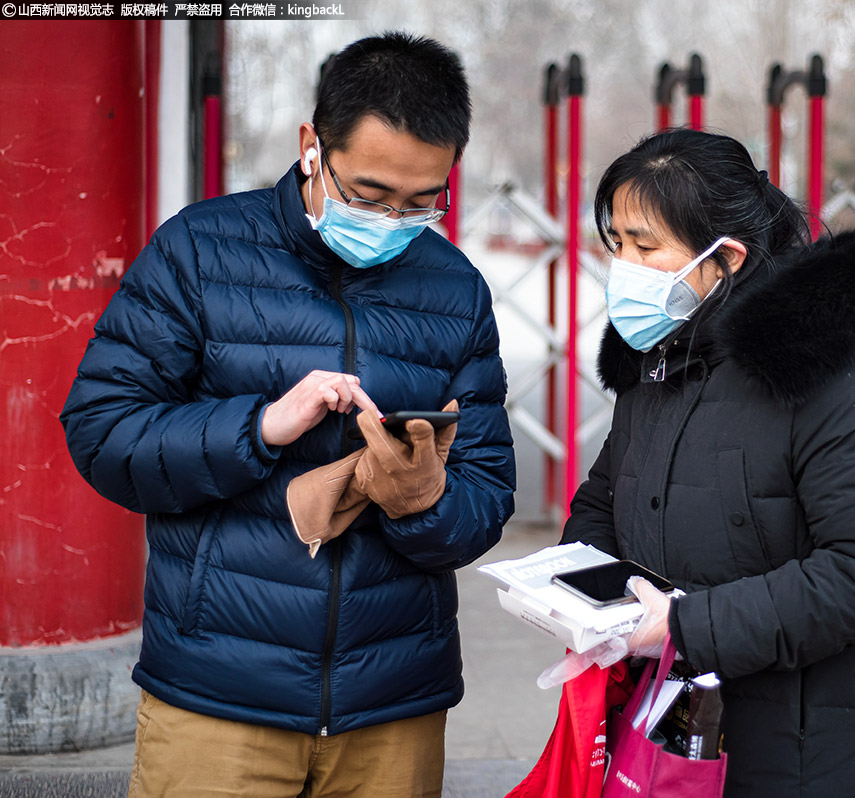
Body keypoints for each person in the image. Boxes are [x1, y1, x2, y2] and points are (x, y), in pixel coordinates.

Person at [60, 32, 515, 798]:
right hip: (219, 699)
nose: (392, 220)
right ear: (313, 145)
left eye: (421, 202)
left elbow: (487, 497)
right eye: (369, 196)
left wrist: (423, 499)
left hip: (393, 705)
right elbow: (102, 433)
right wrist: (259, 427)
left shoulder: (457, 288)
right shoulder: (200, 252)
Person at [560, 128, 855, 796]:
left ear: (725, 257)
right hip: (670, 734)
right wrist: (583, 591)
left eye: (645, 246)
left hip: (803, 755)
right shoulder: (660, 359)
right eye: (616, 243)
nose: (623, 265)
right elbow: (605, 498)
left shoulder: (835, 378)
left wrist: (685, 625)